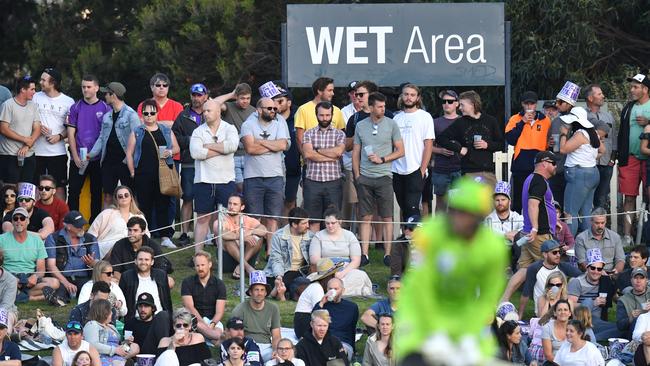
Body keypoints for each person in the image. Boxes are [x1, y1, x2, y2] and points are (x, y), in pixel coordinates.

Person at [394, 177, 508, 363]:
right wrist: (435, 330)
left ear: (479, 216)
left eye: (466, 213)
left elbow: (488, 297)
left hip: (466, 315)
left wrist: (467, 331)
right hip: (422, 312)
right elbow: (420, 286)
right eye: (455, 210)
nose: (458, 218)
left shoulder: (494, 248)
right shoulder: (429, 235)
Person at [352, 92, 404, 266]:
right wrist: (357, 175)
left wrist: (383, 159)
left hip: (384, 176)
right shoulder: (360, 125)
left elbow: (400, 150)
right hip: (365, 177)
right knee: (365, 216)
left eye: (384, 106)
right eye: (380, 106)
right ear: (372, 107)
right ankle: (365, 254)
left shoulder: (391, 124)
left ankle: (388, 254)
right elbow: (356, 152)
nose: (383, 109)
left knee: (387, 217)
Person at [500, 152, 558, 305]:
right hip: (538, 235)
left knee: (524, 270)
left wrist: (553, 221)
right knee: (552, 271)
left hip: (528, 232)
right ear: (544, 163)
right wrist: (535, 228)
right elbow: (533, 204)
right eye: (553, 163)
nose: (555, 166)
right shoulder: (539, 180)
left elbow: (541, 206)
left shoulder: (530, 179)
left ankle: (503, 301)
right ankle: (555, 306)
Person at [126, 98, 180, 249]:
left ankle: (165, 236)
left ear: (157, 113)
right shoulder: (137, 131)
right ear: (141, 115)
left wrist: (170, 151)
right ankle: (145, 235)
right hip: (143, 174)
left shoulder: (165, 130)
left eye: (152, 113)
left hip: (163, 173)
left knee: (164, 204)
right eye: (146, 113)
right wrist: (132, 171)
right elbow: (129, 153)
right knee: (144, 205)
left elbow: (176, 148)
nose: (149, 116)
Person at [241, 97, 291, 256]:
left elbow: (283, 146)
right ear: (258, 110)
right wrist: (272, 146)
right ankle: (254, 250)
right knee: (255, 218)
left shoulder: (279, 124)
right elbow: (250, 148)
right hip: (253, 176)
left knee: (273, 217)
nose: (273, 111)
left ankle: (271, 251)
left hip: (275, 176)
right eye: (269, 108)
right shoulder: (248, 125)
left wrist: (260, 142)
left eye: (274, 108)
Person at [189, 98, 238, 252]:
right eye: (204, 111)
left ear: (218, 112)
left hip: (226, 180)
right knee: (203, 218)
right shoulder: (198, 131)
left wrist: (208, 146)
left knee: (227, 218)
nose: (205, 114)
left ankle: (226, 252)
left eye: (209, 111)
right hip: (204, 180)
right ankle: (198, 252)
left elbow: (232, 146)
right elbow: (196, 153)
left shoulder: (229, 128)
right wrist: (221, 149)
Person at [436, 90, 504, 186]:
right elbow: (441, 139)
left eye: (462, 105)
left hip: (488, 173)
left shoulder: (491, 121)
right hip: (468, 173)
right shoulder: (460, 123)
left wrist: (487, 145)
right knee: (469, 202)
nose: (460, 108)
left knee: (489, 201)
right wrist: (460, 149)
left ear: (472, 104)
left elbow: (501, 144)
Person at [88, 82, 140, 207]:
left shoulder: (131, 115)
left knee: (130, 195)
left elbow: (138, 139)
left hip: (125, 162)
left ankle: (134, 223)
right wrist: (92, 154)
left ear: (114, 95)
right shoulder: (107, 116)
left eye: (106, 93)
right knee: (107, 195)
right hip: (108, 161)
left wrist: (132, 161)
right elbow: (102, 137)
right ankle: (106, 224)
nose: (104, 96)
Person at [67, 74, 110, 222]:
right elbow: (71, 134)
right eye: (83, 87)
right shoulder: (75, 107)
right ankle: (73, 223)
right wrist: (75, 156)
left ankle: (94, 225)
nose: (85, 90)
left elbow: (106, 135)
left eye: (89, 87)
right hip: (78, 158)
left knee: (97, 193)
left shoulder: (105, 108)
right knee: (73, 191)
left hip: (97, 159)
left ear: (97, 88)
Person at [172, 83, 209, 246]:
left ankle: (208, 234)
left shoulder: (212, 113)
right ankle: (185, 233)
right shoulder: (183, 115)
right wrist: (192, 140)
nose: (196, 98)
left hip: (209, 162)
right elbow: (174, 136)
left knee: (207, 199)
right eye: (194, 95)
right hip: (188, 162)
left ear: (206, 96)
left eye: (200, 95)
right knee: (187, 198)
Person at [0, 207, 61, 305]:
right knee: (6, 285)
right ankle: (33, 298)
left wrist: (35, 276)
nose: (18, 221)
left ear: (27, 221)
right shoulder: (2, 239)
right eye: (15, 218)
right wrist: (9, 278)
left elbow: (41, 269)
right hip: (9, 276)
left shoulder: (36, 240)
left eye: (22, 218)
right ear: (12, 222)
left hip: (29, 278)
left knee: (54, 283)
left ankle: (16, 294)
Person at [391, 83, 434, 220]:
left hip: (415, 169)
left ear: (418, 98)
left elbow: (428, 145)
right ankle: (406, 239)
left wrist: (422, 170)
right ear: (402, 96)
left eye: (412, 95)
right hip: (397, 169)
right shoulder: (396, 118)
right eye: (406, 94)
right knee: (403, 206)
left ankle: (417, 239)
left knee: (413, 207)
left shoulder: (425, 116)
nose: (409, 98)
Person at [559, 106, 604, 236]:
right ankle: (588, 243)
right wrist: (589, 158)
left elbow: (563, 149)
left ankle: (570, 245)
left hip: (579, 175)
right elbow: (602, 151)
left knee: (570, 213)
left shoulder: (579, 134)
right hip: (592, 172)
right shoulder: (593, 133)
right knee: (586, 213)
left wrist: (563, 133)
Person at [302, 101, 346, 231]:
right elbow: (308, 154)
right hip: (312, 181)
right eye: (321, 115)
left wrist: (318, 150)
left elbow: (338, 152)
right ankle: (314, 248)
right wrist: (330, 155)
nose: (325, 118)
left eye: (327, 115)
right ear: (316, 115)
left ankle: (333, 249)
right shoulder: (308, 133)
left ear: (332, 115)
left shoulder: (339, 134)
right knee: (313, 220)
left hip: (334, 181)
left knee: (334, 219)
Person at [505, 90, 552, 213]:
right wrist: (522, 122)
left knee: (539, 198)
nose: (529, 107)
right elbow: (510, 139)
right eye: (527, 104)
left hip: (540, 165)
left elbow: (548, 142)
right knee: (519, 200)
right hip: (520, 165)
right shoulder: (515, 119)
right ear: (522, 104)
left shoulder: (545, 120)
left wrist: (550, 144)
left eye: (532, 104)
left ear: (536, 105)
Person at [309, 207, 373, 296]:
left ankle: (336, 291)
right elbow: (314, 259)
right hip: (326, 270)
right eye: (327, 223)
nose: (330, 226)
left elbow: (356, 260)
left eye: (333, 223)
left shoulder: (349, 236)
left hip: (346, 269)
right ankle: (347, 291)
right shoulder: (319, 236)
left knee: (361, 275)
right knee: (329, 281)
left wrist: (343, 272)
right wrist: (331, 268)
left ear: (340, 221)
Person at [617, 73, 650, 245]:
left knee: (649, 197)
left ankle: (646, 237)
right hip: (629, 159)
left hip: (649, 160)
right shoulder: (628, 107)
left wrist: (649, 121)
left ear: (646, 89)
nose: (632, 90)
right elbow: (621, 133)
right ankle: (628, 236)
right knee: (628, 198)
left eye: (636, 87)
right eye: (632, 87)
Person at [32, 68, 74, 200]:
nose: (41, 82)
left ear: (53, 83)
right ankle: (34, 218)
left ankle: (60, 219)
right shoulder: (35, 97)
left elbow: (72, 127)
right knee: (36, 187)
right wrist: (37, 127)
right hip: (36, 151)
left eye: (44, 80)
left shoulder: (68, 101)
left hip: (58, 152)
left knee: (59, 188)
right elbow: (26, 117)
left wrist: (59, 136)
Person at [568, 248, 620, 341]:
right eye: (593, 268)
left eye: (599, 269)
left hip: (597, 321)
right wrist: (593, 303)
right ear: (587, 268)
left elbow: (615, 298)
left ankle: (592, 337)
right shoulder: (577, 282)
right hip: (580, 319)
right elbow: (570, 305)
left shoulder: (605, 282)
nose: (596, 271)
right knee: (587, 301)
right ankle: (586, 334)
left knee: (622, 327)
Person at [45, 210, 99, 300]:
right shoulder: (53, 238)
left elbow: (98, 264)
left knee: (90, 291)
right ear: (68, 226)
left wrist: (92, 263)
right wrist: (66, 283)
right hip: (62, 278)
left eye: (83, 224)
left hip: (84, 278)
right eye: (78, 226)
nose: (82, 227)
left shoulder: (91, 238)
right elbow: (51, 266)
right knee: (59, 293)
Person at [263, 206, 312, 301]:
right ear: (294, 224)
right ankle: (281, 290)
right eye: (304, 223)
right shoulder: (278, 236)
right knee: (267, 281)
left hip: (301, 272)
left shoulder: (311, 236)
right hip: (282, 270)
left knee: (299, 280)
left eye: (308, 222)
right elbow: (276, 259)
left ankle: (277, 291)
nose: (308, 225)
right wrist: (279, 276)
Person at [214, 83, 256, 192]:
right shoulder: (229, 107)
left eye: (248, 98)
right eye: (242, 98)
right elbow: (213, 104)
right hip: (232, 156)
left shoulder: (254, 111)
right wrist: (231, 94)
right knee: (237, 187)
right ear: (236, 97)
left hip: (249, 156)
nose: (245, 101)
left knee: (249, 188)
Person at [231, 271, 282, 361]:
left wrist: (276, 350)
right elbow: (233, 335)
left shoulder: (273, 308)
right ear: (250, 292)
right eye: (256, 290)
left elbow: (276, 335)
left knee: (282, 358)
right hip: (246, 346)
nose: (259, 293)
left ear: (266, 293)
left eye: (262, 290)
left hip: (267, 347)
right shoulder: (239, 309)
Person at [88, 185, 149, 259]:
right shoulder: (107, 213)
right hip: (107, 250)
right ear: (116, 199)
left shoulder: (139, 216)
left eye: (126, 195)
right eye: (120, 196)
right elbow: (91, 235)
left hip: (131, 249)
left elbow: (146, 236)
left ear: (131, 198)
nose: (123, 197)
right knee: (119, 245)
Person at [547, 81, 580, 212]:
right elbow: (553, 147)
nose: (556, 105)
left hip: (568, 168)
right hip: (564, 168)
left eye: (560, 102)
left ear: (569, 104)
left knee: (567, 207)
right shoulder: (557, 121)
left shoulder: (578, 121)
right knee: (563, 206)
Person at [0, 75, 40, 184]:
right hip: (10, 155)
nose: (34, 92)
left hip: (29, 155)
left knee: (26, 192)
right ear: (23, 89)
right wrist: (24, 139)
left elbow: (37, 128)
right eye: (32, 89)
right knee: (9, 191)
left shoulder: (33, 106)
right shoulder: (8, 105)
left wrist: (27, 145)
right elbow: (3, 129)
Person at [181, 251, 227, 342]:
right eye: (197, 266)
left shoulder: (219, 284)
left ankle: (207, 337)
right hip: (194, 319)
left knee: (217, 333)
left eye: (203, 265)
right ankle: (211, 338)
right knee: (196, 324)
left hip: (212, 321)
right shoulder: (187, 282)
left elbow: (219, 311)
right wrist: (203, 324)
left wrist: (212, 324)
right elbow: (190, 307)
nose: (200, 268)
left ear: (209, 264)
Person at [217, 194, 267, 278]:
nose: (231, 206)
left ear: (242, 207)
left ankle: (240, 266)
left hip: (246, 256)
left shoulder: (248, 219)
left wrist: (251, 231)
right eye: (230, 203)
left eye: (235, 204)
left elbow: (264, 230)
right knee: (227, 240)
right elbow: (223, 234)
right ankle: (247, 267)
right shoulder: (223, 218)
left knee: (258, 238)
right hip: (227, 261)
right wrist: (242, 237)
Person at [584, 84, 617, 211]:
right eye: (599, 94)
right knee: (586, 198)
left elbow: (614, 140)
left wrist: (612, 160)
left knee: (602, 199)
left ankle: (602, 227)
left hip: (606, 164)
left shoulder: (609, 116)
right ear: (590, 98)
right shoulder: (582, 116)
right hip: (588, 164)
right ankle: (585, 228)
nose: (603, 96)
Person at [118, 247, 173, 320]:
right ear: (135, 261)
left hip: (158, 319)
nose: (143, 262)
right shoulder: (126, 276)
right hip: (135, 319)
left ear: (152, 261)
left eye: (146, 259)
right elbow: (121, 298)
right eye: (140, 259)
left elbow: (167, 300)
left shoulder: (161, 275)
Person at [294, 258, 343, 339]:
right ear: (329, 277)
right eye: (332, 276)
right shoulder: (317, 288)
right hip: (304, 325)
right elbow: (320, 312)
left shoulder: (318, 287)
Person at [295, 77, 346, 153]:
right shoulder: (303, 109)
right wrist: (306, 157)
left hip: (333, 161)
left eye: (332, 90)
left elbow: (342, 138)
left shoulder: (337, 110)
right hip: (311, 160)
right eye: (329, 90)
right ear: (319, 91)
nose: (333, 93)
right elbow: (299, 138)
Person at [109, 216, 167, 281]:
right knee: (113, 281)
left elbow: (159, 270)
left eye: (135, 230)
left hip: (149, 280)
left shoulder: (153, 246)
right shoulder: (119, 245)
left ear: (143, 232)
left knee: (170, 281)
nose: (131, 233)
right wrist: (128, 284)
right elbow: (116, 272)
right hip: (126, 281)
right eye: (129, 230)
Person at [314, 277, 359, 360]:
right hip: (323, 342)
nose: (332, 291)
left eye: (336, 289)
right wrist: (322, 303)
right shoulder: (321, 305)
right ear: (326, 289)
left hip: (343, 343)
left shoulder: (352, 307)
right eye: (330, 289)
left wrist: (353, 349)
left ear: (343, 290)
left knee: (336, 353)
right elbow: (313, 321)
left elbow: (352, 329)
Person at [431, 90, 462, 212]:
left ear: (457, 104)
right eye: (444, 101)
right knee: (440, 204)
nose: (446, 104)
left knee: (458, 204)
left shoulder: (463, 121)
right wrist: (440, 150)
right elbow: (427, 146)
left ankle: (456, 230)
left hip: (459, 167)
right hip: (441, 168)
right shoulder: (435, 122)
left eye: (450, 101)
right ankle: (439, 230)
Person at [83, 298, 140, 364]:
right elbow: (92, 345)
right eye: (110, 311)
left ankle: (121, 360)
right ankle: (118, 361)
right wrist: (115, 350)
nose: (112, 313)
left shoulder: (111, 326)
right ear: (103, 312)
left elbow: (117, 343)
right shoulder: (92, 324)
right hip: (103, 355)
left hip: (117, 351)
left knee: (135, 347)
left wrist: (126, 342)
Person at [574, 207, 625, 272]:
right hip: (591, 274)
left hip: (611, 274)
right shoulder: (581, 238)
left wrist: (616, 270)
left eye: (602, 223)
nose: (600, 226)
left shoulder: (615, 237)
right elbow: (582, 262)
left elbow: (620, 259)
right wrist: (597, 272)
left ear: (606, 221)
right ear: (591, 221)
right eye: (597, 223)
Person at [616, 268, 650, 339]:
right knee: (636, 320)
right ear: (631, 280)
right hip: (636, 332)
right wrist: (631, 318)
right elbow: (620, 326)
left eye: (641, 278)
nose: (638, 281)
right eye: (636, 278)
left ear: (646, 280)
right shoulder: (623, 300)